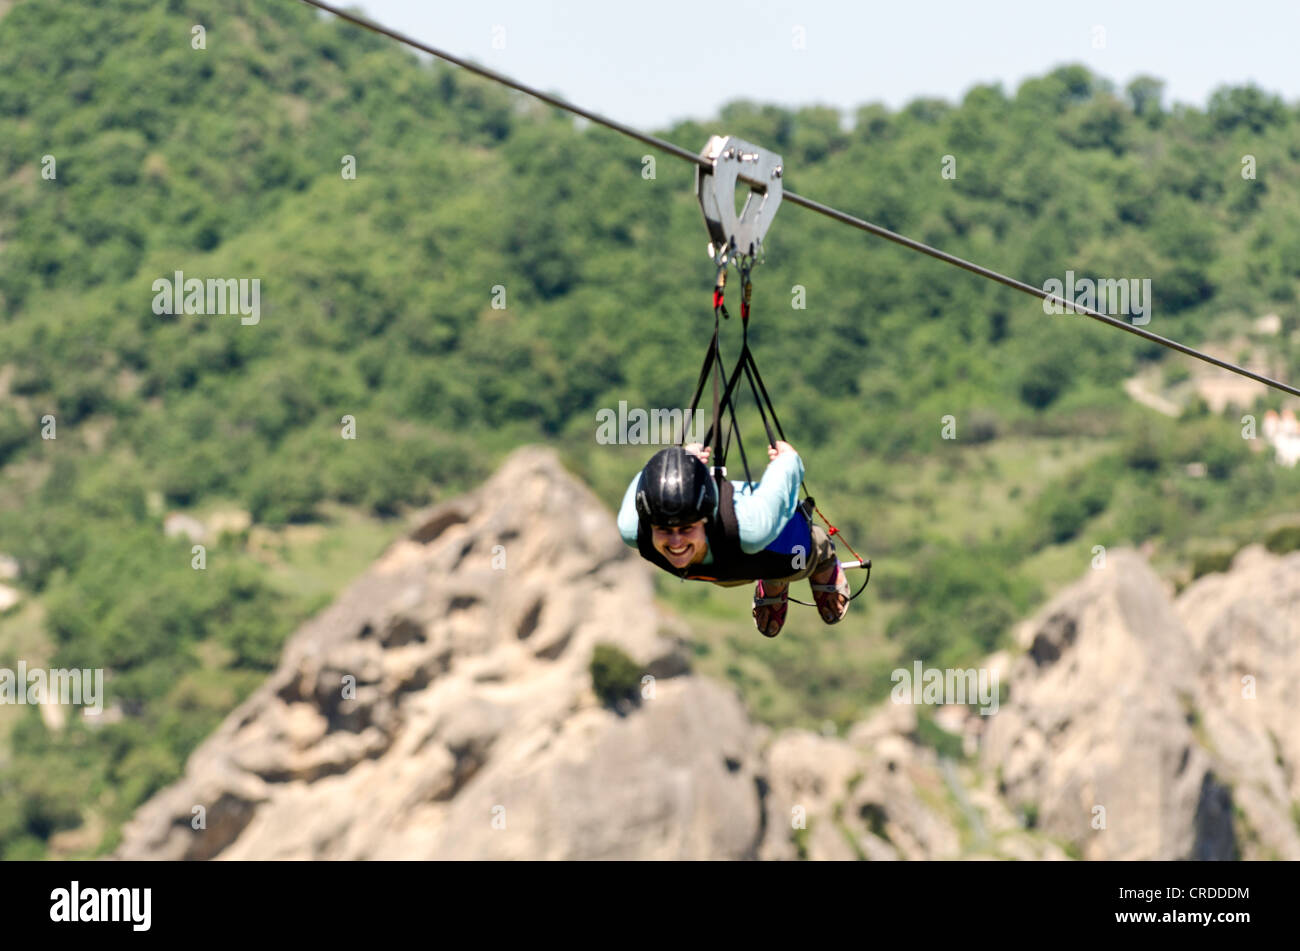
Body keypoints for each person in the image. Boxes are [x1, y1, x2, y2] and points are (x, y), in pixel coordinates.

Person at [616, 441, 849, 637]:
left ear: (705, 520)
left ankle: (822, 560)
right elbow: (646, 478)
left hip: (769, 540)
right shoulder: (633, 529)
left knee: (795, 557)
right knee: (730, 570)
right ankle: (773, 580)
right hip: (724, 565)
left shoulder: (752, 527)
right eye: (665, 530)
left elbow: (788, 475)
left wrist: (786, 459)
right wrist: (684, 465)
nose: (676, 542)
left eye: (686, 529)